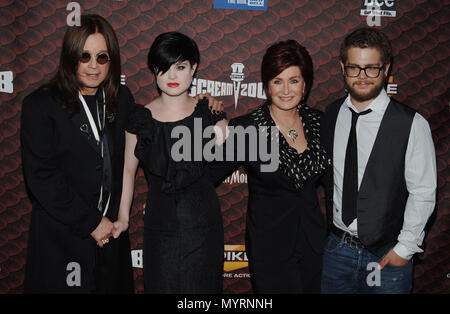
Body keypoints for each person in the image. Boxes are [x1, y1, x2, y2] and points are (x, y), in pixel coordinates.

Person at [20, 14, 134, 293]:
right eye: (84, 56)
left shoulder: (123, 99)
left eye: (102, 57)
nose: (93, 66)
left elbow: (152, 128)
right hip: (61, 242)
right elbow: (41, 177)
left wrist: (204, 106)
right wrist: (92, 222)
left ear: (112, 60)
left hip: (111, 243)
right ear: (70, 58)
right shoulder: (40, 105)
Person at [320, 27, 437, 294]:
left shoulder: (411, 124)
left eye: (371, 68)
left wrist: (404, 249)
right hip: (337, 250)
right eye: (354, 68)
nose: (362, 77)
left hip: (386, 256)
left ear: (385, 69)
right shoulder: (331, 114)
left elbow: (423, 192)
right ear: (342, 67)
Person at [210, 40, 330, 293]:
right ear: (266, 85)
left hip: (314, 245)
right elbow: (204, 174)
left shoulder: (321, 124)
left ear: (305, 84)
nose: (286, 89)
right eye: (277, 81)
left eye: (294, 80)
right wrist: (207, 120)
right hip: (270, 248)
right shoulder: (248, 128)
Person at [112, 32, 227, 293]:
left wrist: (216, 113)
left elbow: (225, 152)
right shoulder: (140, 118)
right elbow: (128, 172)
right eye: (164, 68)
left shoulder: (208, 112)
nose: (172, 76)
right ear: (154, 70)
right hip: (160, 225)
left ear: (194, 68)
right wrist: (122, 218)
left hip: (203, 225)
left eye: (181, 67)